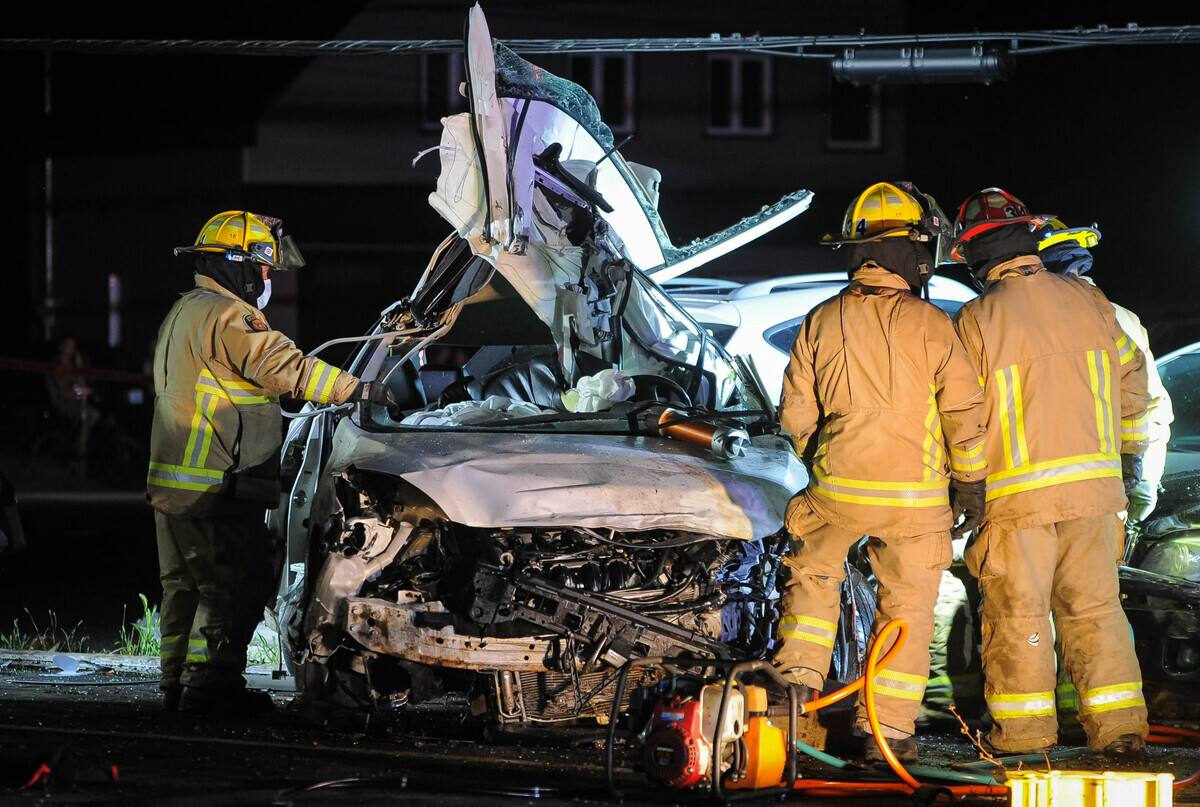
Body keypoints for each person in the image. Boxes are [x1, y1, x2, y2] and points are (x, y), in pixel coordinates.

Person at [776, 182, 988, 763]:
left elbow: (796, 411)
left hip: (837, 494)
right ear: (916, 256)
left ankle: (792, 711)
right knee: (908, 610)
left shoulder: (821, 320)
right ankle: (887, 734)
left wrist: (819, 459)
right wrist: (969, 482)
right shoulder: (933, 323)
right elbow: (964, 415)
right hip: (917, 505)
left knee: (814, 584)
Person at [950, 188, 1152, 757]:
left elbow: (962, 419)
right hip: (1094, 495)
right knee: (1096, 611)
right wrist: (1129, 463)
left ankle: (1024, 738)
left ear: (974, 256)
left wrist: (967, 484)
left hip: (1018, 503)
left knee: (1018, 617)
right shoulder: (1090, 302)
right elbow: (1132, 389)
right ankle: (1120, 731)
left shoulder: (976, 320)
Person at [148, 211, 370, 715]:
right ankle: (210, 689)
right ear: (239, 266)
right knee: (234, 584)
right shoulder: (229, 316)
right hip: (216, 486)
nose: (266, 280)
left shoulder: (185, 310)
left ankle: (176, 686)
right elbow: (282, 366)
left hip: (176, 483)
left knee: (184, 588)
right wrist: (358, 390)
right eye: (263, 269)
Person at [1036, 218, 1173, 524]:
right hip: (1108, 494)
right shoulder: (1124, 318)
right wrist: (1145, 483)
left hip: (1042, 499)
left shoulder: (1031, 323)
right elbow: (1152, 408)